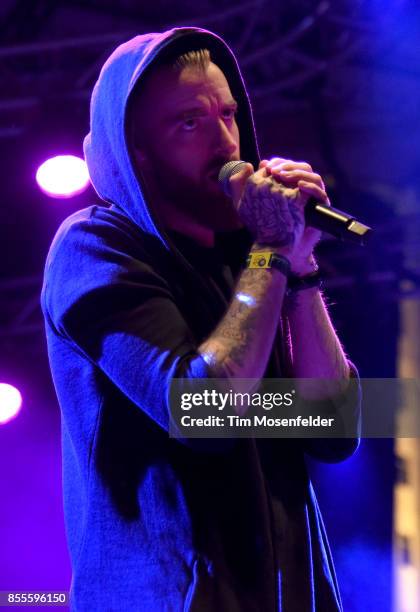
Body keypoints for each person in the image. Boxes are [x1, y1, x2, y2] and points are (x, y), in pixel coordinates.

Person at [40, 26, 361, 611]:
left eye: (229, 114)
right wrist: (270, 252)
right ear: (138, 152)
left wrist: (302, 262)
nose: (225, 143)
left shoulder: (251, 263)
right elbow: (205, 414)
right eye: (189, 123)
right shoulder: (94, 248)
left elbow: (333, 432)